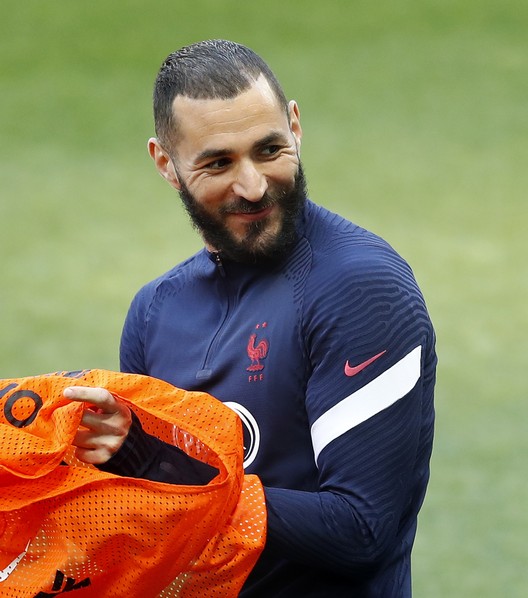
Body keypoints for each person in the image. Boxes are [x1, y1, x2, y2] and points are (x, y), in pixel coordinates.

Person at [64, 39, 437, 597]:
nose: (253, 186)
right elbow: (155, 523)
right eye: (218, 163)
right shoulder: (155, 311)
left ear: (295, 125)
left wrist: (176, 473)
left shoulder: (360, 290)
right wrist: (115, 454)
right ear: (166, 164)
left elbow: (361, 531)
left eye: (268, 150)